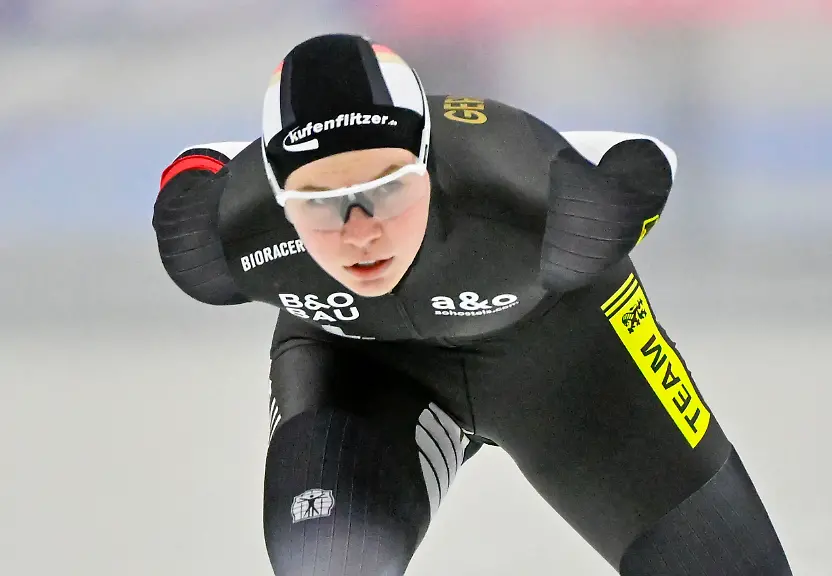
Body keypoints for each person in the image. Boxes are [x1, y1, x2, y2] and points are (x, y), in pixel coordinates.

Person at [152, 33, 792, 576]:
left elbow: (641, 160)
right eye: (319, 202)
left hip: (563, 358)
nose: (360, 230)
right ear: (278, 200)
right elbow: (199, 171)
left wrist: (601, 196)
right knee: (328, 557)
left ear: (430, 165)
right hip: (365, 366)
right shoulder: (218, 245)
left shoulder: (531, 204)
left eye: (388, 189)